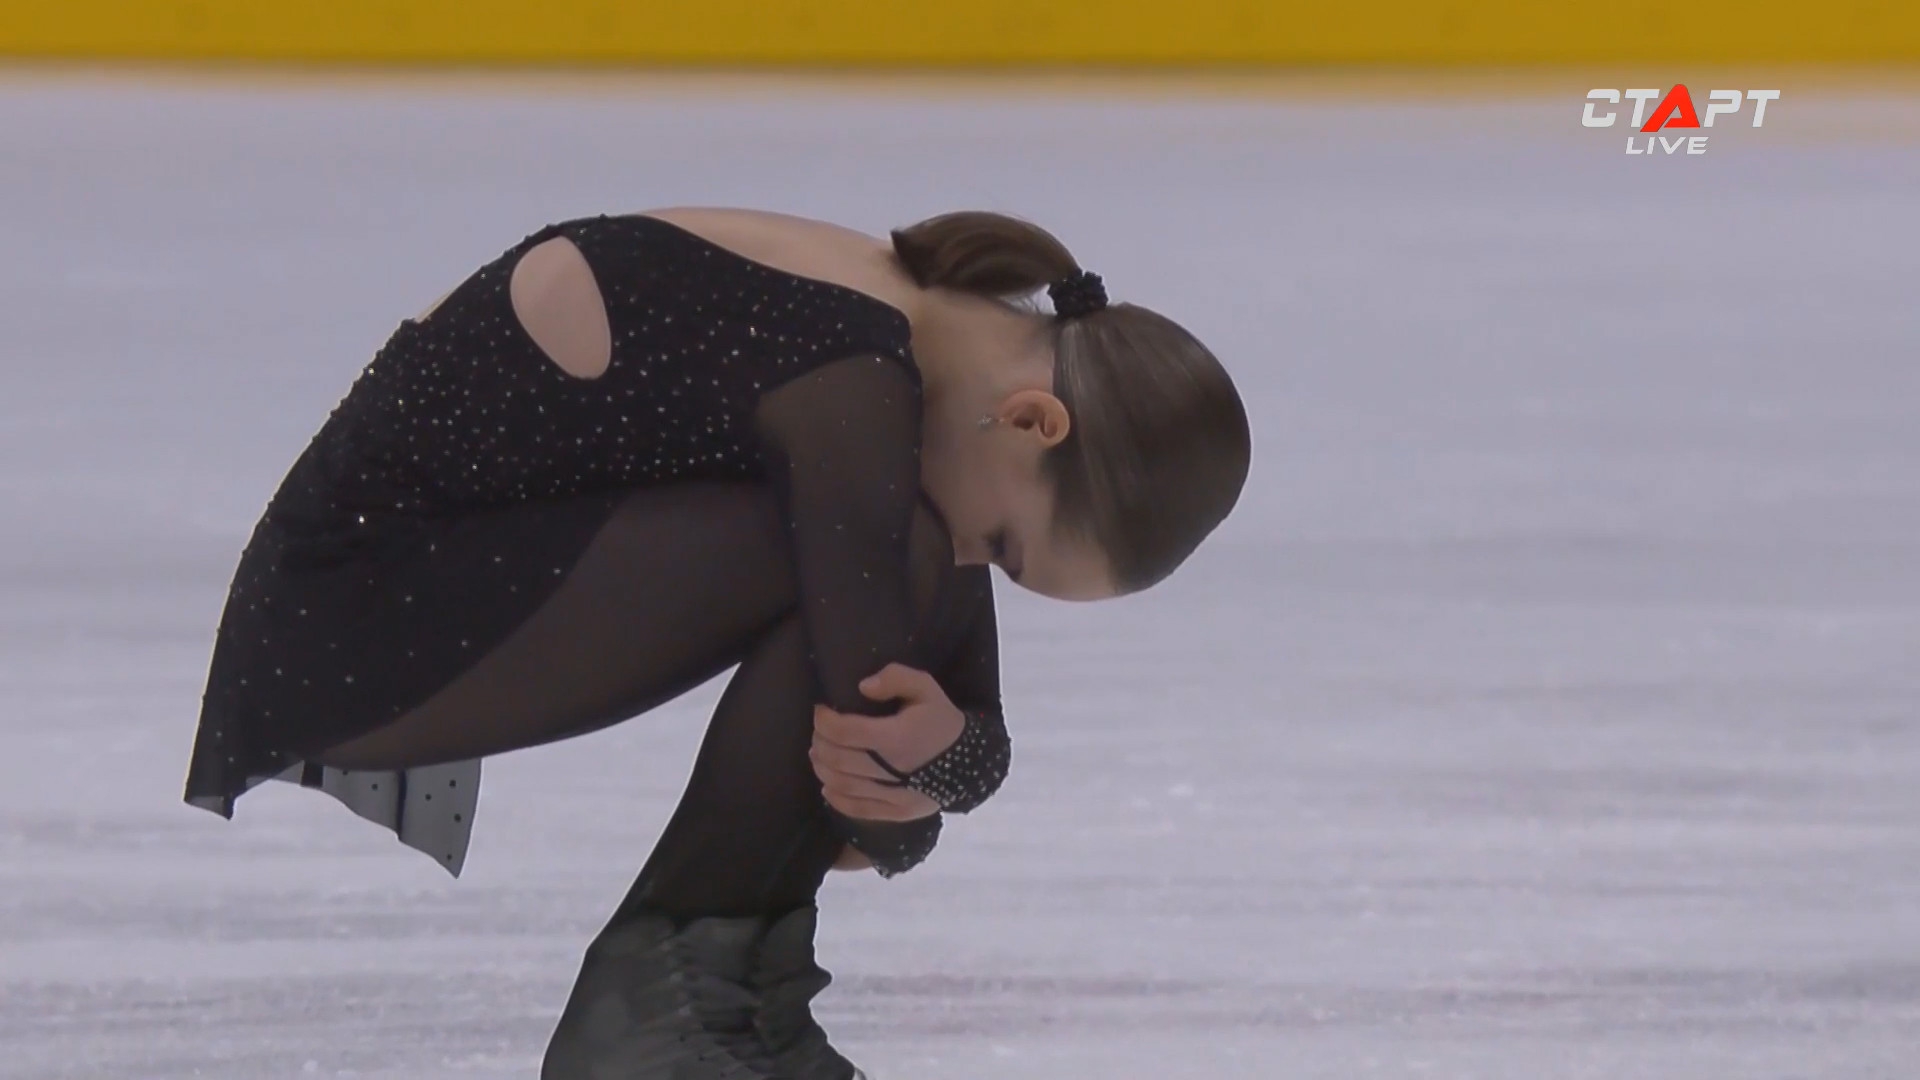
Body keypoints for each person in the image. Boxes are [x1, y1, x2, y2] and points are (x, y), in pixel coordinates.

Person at [182, 207, 1252, 1079]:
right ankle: (655, 1020)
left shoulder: (907, 344)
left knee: (908, 548)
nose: (980, 563)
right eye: (1007, 546)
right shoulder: (855, 376)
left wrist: (934, 771)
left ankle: (704, 1008)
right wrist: (924, 790)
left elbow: (912, 713)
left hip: (430, 588)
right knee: (904, 550)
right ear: (1032, 422)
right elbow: (869, 714)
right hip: (357, 611)